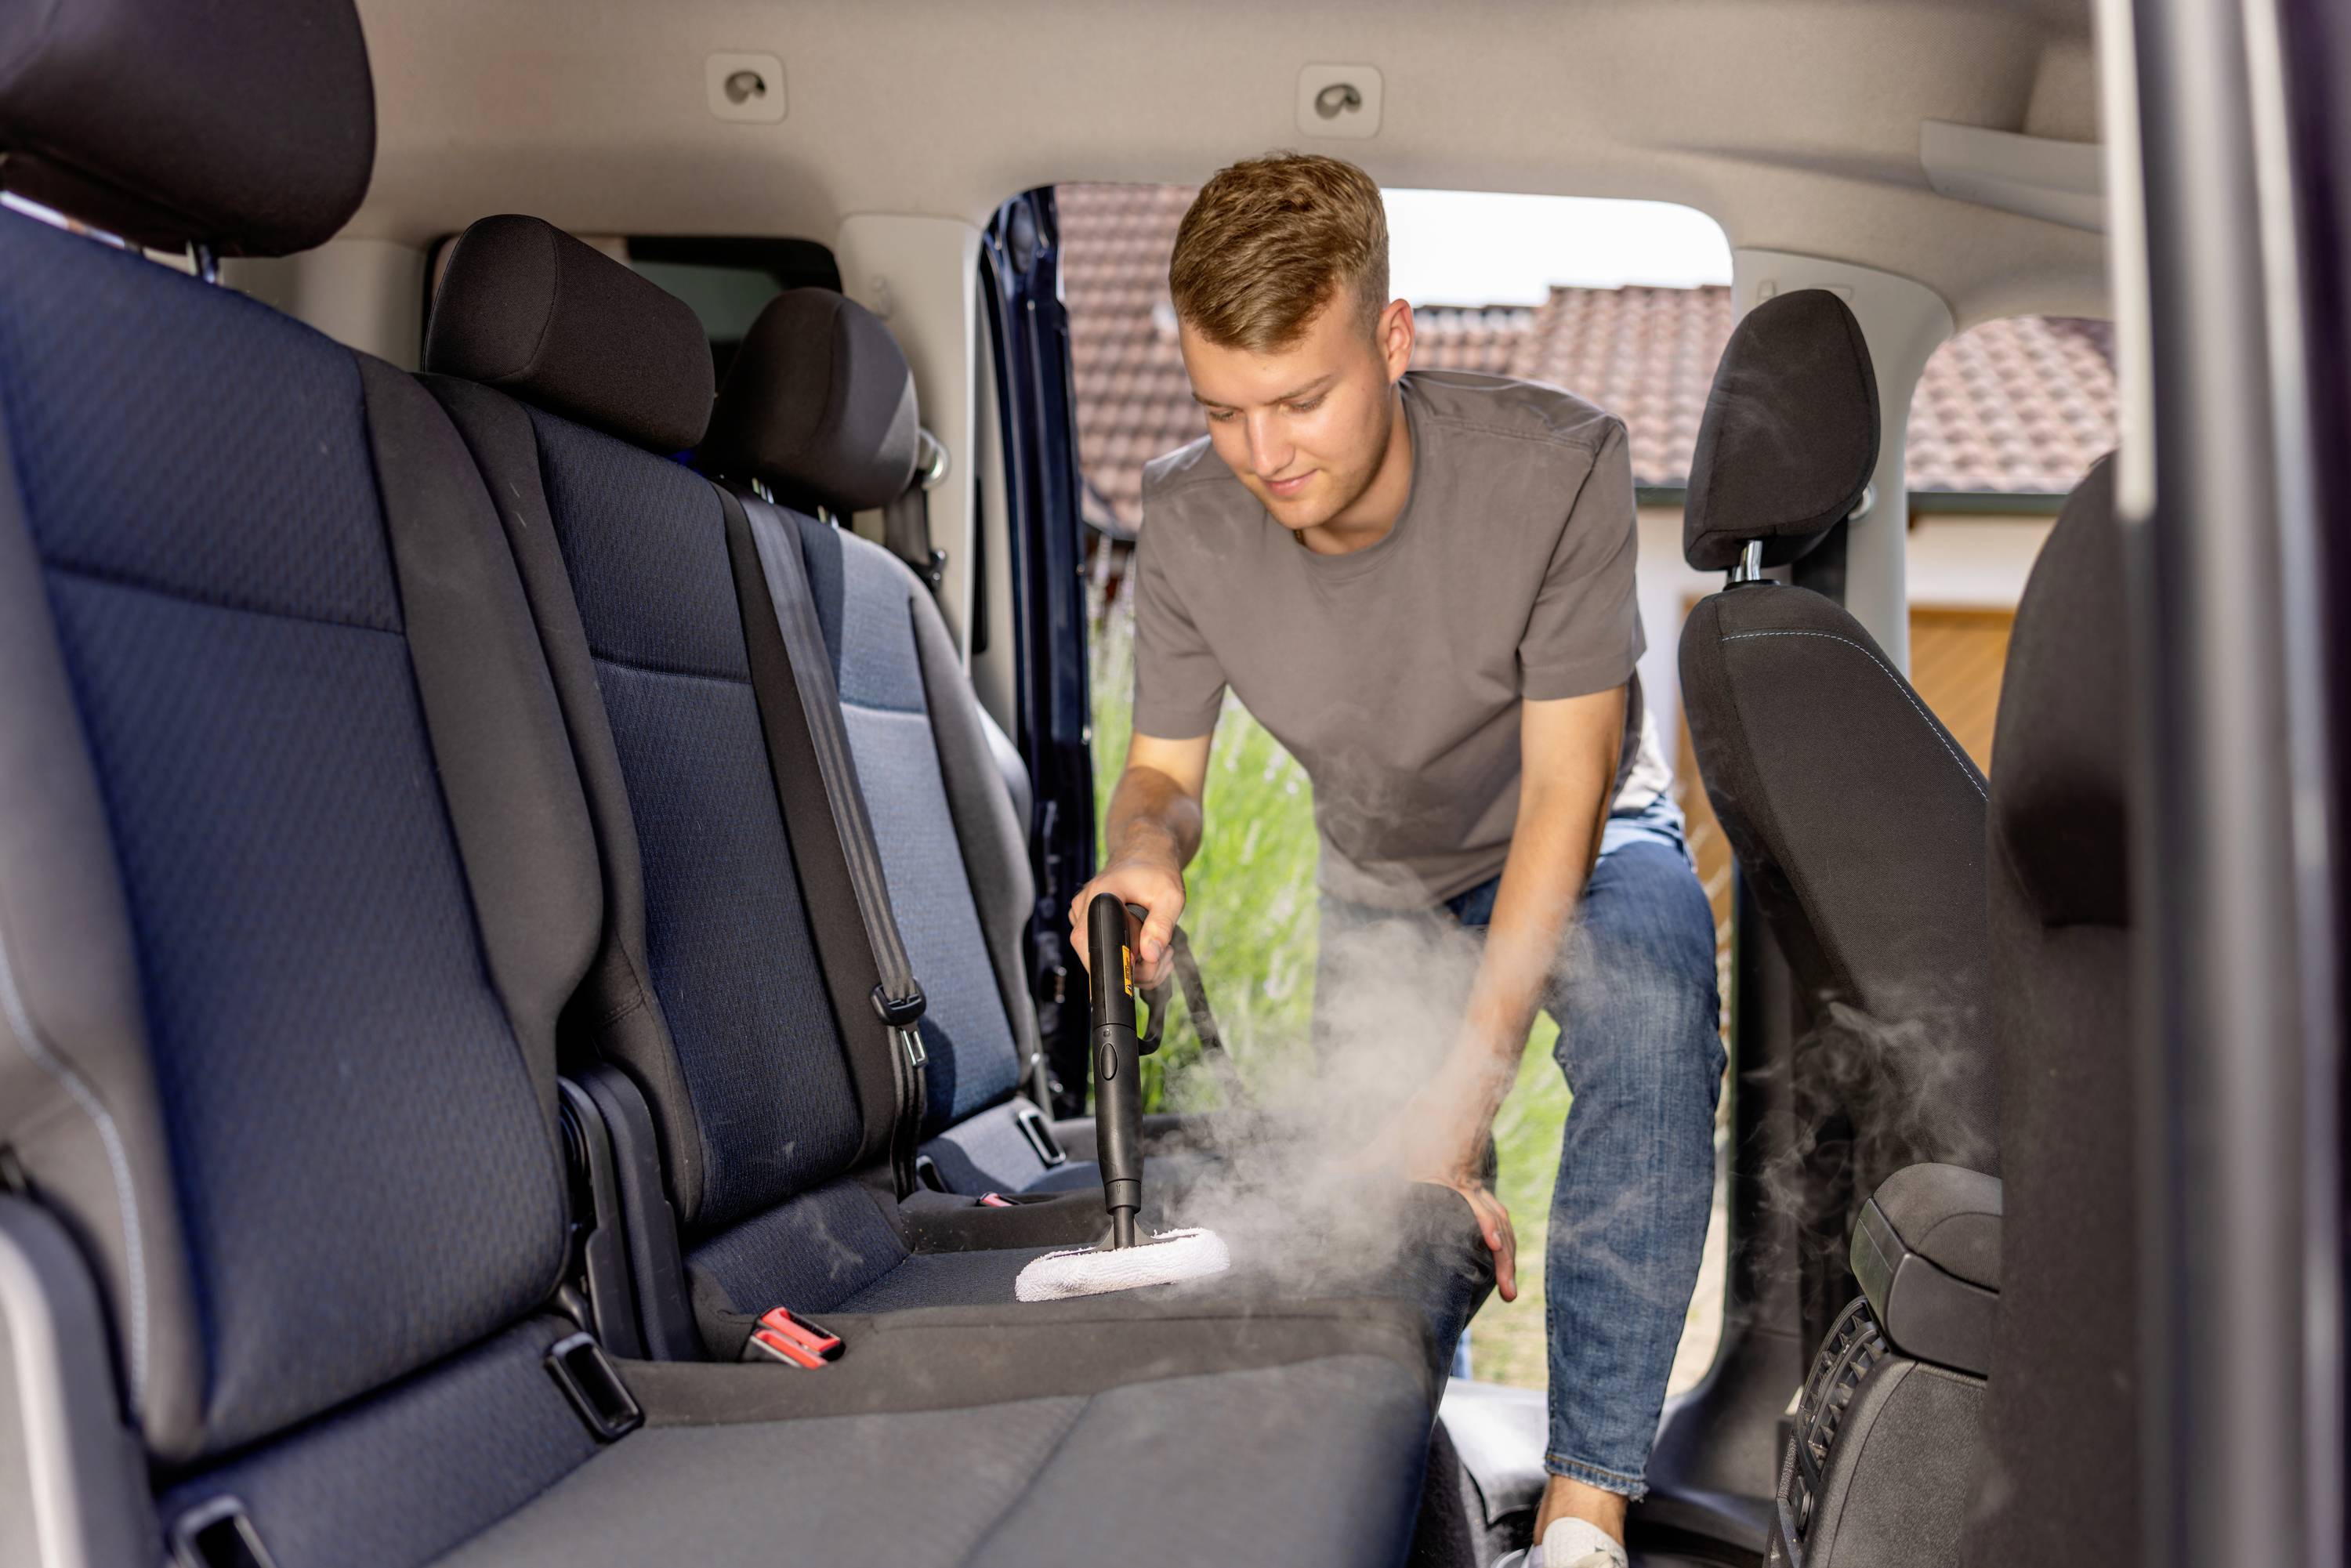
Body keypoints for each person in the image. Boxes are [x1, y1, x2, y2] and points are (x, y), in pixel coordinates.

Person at [1067, 153, 1723, 1568]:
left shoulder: (1559, 465)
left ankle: (1584, 1515)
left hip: (1586, 829)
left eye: (1302, 398)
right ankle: (1366, 1502)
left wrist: (1466, 1084)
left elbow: (1565, 785)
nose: (1266, 452)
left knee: (1656, 998)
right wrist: (1144, 859)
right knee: (1375, 1203)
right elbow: (1162, 780)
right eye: (1224, 410)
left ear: (1394, 337)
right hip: (1381, 868)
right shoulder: (1187, 515)